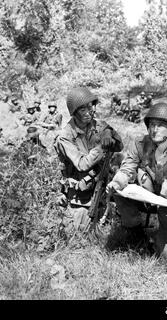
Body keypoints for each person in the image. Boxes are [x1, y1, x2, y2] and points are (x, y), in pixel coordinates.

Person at [106, 103, 167, 256]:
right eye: (151, 125)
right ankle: (136, 233)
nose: (154, 129)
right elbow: (127, 168)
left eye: (160, 125)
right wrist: (117, 182)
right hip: (146, 197)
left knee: (166, 253)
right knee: (118, 192)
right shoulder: (139, 144)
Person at [54, 87, 124, 234]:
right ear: (74, 112)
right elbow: (82, 164)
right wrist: (101, 147)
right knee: (79, 233)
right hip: (80, 191)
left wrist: (109, 134)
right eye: (82, 110)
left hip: (101, 183)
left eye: (90, 107)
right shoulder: (65, 136)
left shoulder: (97, 125)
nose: (88, 112)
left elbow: (119, 146)